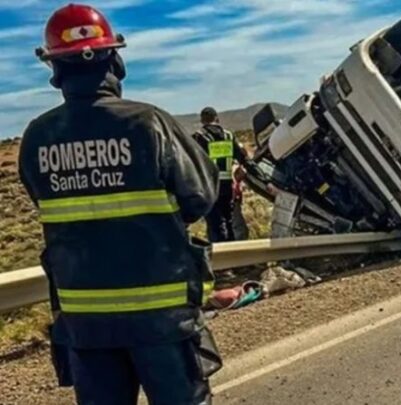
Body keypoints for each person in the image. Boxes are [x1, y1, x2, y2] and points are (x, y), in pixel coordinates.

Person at [18, 4, 222, 404]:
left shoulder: (37, 137)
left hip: (86, 325)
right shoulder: (149, 123)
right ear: (114, 60)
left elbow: (43, 199)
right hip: (162, 320)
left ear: (55, 70)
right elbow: (200, 196)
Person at [192, 107, 250, 242]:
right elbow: (242, 157)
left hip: (210, 187)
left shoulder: (199, 137)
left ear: (202, 121)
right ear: (217, 119)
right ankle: (232, 253)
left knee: (215, 223)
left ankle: (221, 255)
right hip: (227, 186)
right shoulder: (229, 136)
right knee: (228, 221)